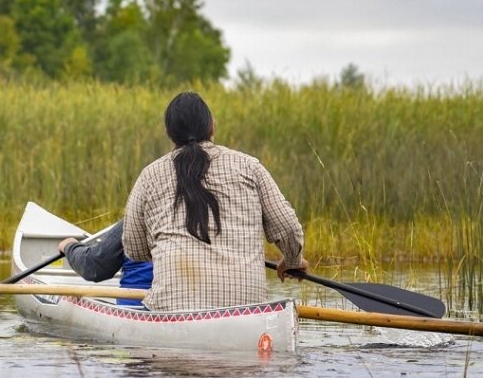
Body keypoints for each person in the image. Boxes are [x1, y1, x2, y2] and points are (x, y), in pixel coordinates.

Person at [119, 90, 306, 312]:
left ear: (169, 134)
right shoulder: (249, 166)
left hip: (172, 312)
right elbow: (287, 228)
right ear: (212, 127)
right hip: (248, 312)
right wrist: (294, 261)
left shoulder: (149, 175)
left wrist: (165, 249)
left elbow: (134, 249)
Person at [57, 220, 152, 305]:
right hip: (162, 311)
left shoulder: (136, 220)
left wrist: (69, 246)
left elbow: (94, 267)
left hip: (136, 312)